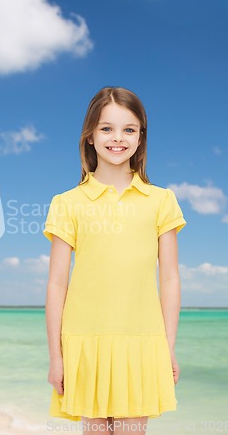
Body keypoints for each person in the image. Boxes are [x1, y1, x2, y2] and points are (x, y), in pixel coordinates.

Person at [44, 86, 186, 435]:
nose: (117, 138)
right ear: (90, 136)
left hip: (142, 342)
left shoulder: (161, 200)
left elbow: (169, 279)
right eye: (106, 128)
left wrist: (166, 348)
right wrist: (56, 356)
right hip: (84, 341)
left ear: (141, 138)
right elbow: (57, 283)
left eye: (129, 129)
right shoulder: (67, 203)